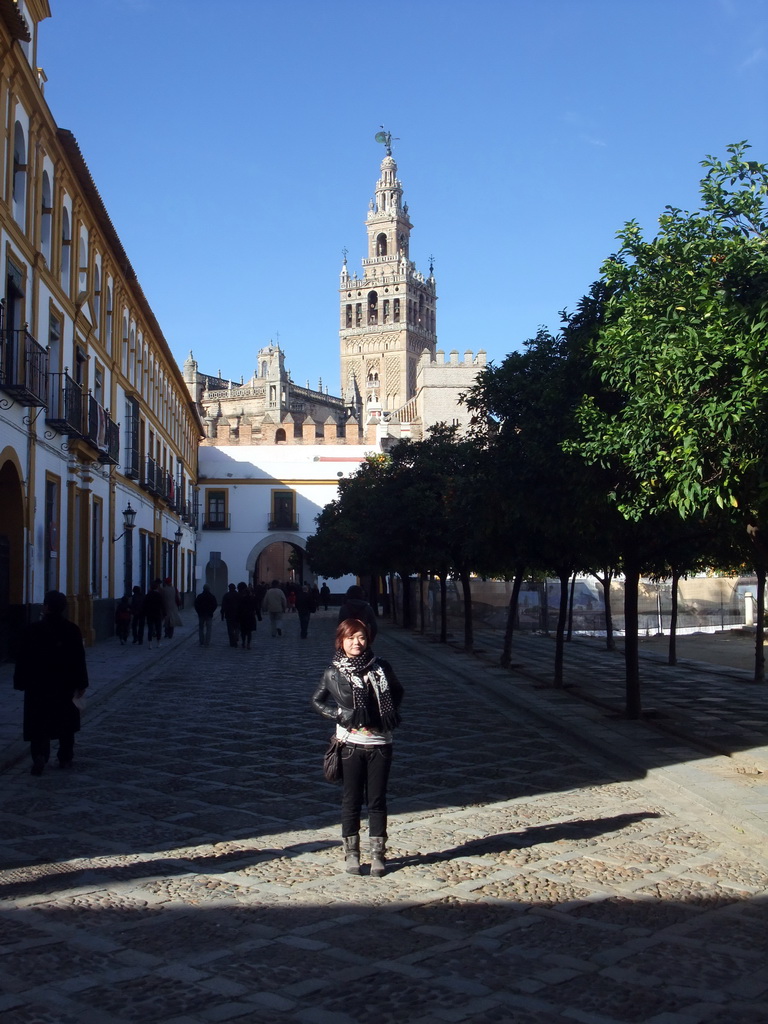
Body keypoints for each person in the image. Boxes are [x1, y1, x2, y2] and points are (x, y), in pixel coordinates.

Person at [311, 618, 403, 877]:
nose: (356, 643)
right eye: (351, 638)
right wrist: (339, 715)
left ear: (368, 639)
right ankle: (352, 853)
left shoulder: (382, 667)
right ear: (341, 640)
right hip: (350, 746)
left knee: (377, 801)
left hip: (381, 744)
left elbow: (398, 691)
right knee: (351, 800)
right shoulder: (334, 672)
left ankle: (378, 855)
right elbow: (316, 701)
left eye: (361, 637)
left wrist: (387, 713)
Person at [14, 590, 89, 775]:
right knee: (66, 722)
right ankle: (65, 756)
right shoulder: (72, 630)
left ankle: (39, 754)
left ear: (46, 607)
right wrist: (81, 683)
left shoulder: (32, 630)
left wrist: (21, 681)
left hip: (38, 684)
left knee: (38, 721)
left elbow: (22, 658)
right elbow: (79, 659)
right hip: (64, 683)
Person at [143, 579, 165, 650]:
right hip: (157, 613)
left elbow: (145, 605)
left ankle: (150, 644)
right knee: (158, 628)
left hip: (150, 614)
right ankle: (158, 643)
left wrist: (145, 613)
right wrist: (164, 613)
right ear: (156, 588)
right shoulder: (159, 595)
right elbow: (162, 605)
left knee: (150, 628)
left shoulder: (148, 595)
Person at [237, 581, 257, 648]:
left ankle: (243, 642)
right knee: (249, 632)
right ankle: (248, 644)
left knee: (243, 631)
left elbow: (239, 608)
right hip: (250, 616)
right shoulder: (252, 599)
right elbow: (255, 607)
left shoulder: (241, 599)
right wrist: (259, 616)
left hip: (242, 616)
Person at [220, 583, 239, 648]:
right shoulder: (238, 595)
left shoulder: (226, 595)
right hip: (237, 614)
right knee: (236, 627)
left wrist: (222, 615)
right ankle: (236, 638)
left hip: (228, 615)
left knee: (230, 629)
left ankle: (232, 642)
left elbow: (223, 606)